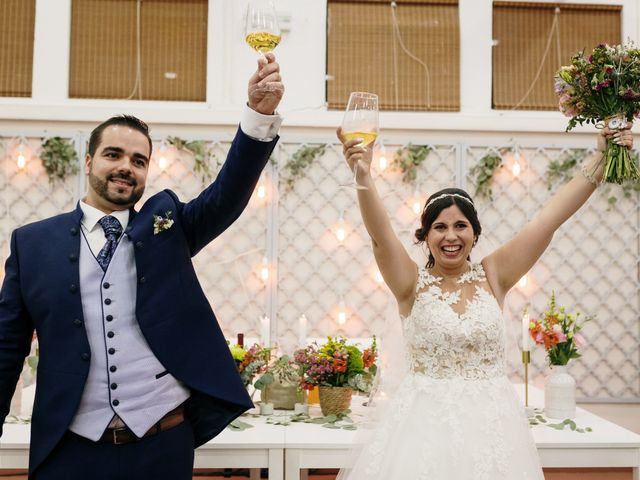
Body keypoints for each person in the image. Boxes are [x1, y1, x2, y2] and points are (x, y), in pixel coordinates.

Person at [0, 53, 284, 480]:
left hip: (162, 444)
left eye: (138, 160)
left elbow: (227, 194)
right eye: (113, 154)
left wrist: (258, 117)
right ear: (89, 161)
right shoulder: (32, 243)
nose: (125, 167)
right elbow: (7, 347)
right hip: (70, 448)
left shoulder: (167, 225)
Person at [336, 124, 634, 479]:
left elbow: (549, 220)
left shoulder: (495, 275)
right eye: (440, 227)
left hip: (493, 432)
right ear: (425, 236)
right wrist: (363, 174)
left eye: (460, 225)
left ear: (474, 233)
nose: (451, 236)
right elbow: (380, 235)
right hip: (421, 433)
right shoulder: (410, 284)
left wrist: (601, 157)